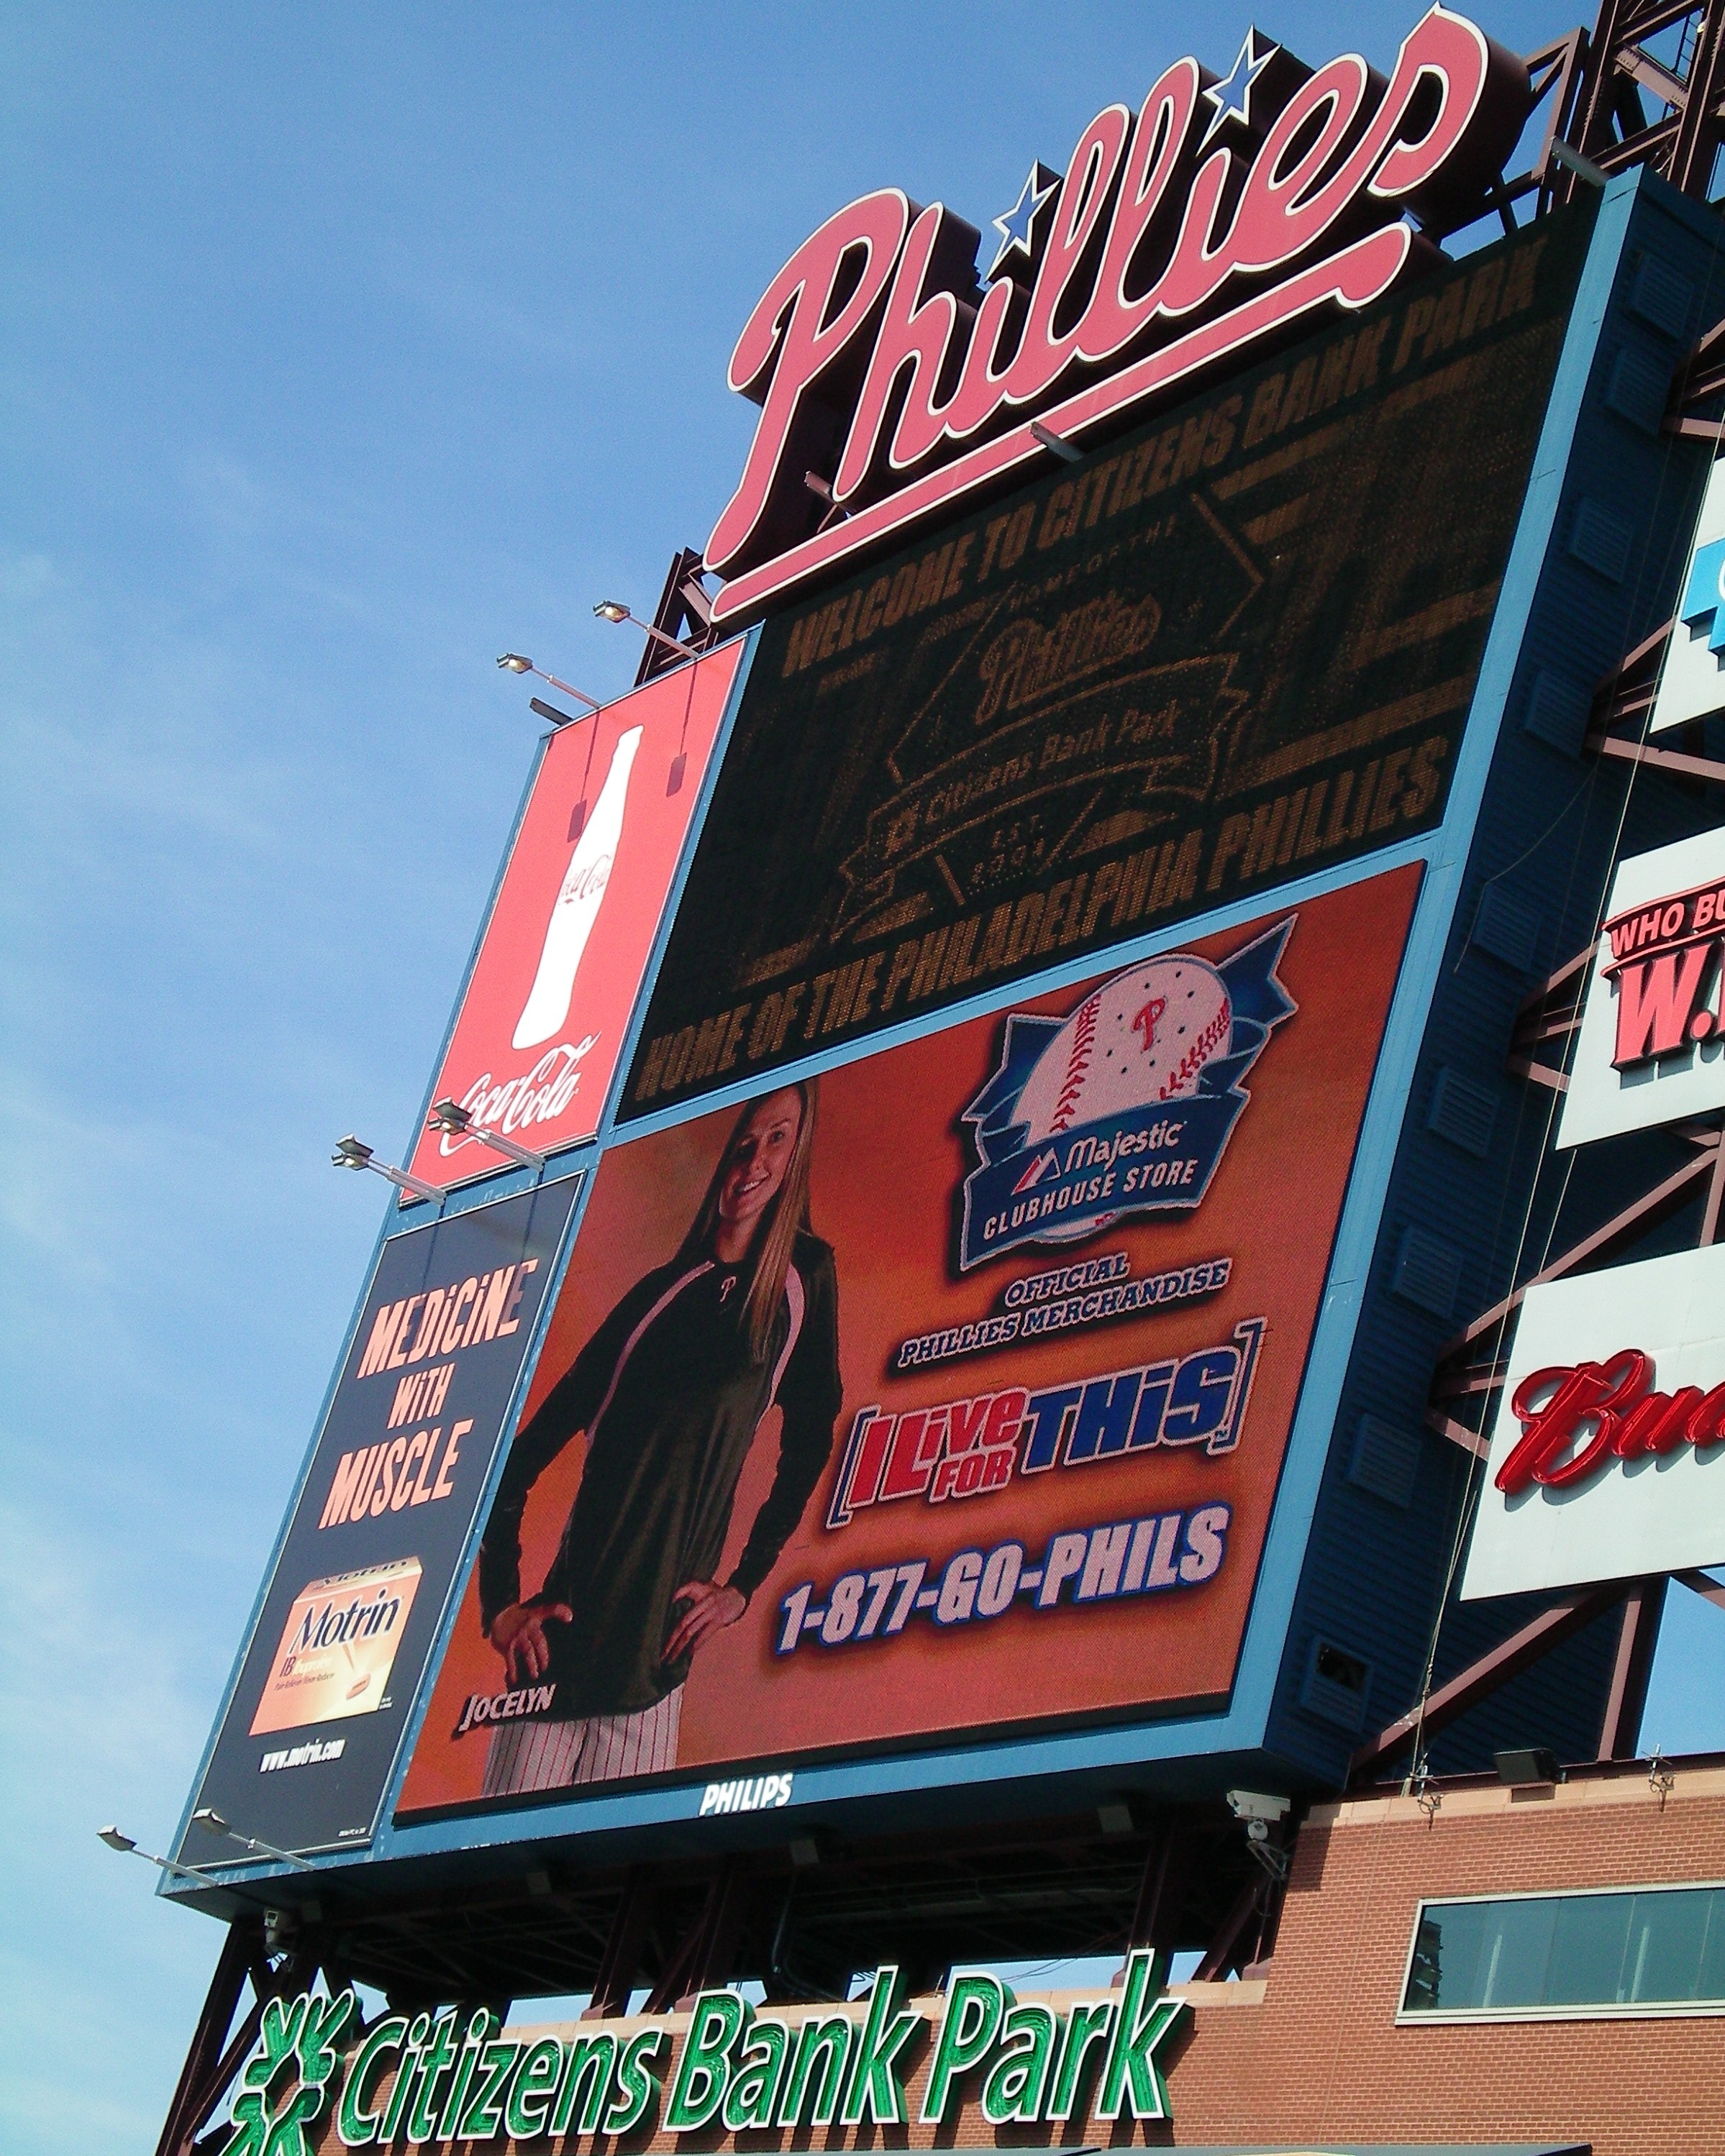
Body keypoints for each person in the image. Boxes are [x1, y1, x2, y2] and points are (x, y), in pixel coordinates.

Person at [475, 1081, 841, 1793]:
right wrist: (500, 1608)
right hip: (552, 1673)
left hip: (654, 1675)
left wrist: (744, 1582)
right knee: (493, 1883)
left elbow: (809, 1439)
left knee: (613, 1891)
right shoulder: (656, 1296)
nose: (755, 1161)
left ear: (797, 1155)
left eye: (777, 1139)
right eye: (743, 1143)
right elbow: (514, 1466)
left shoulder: (802, 1279)